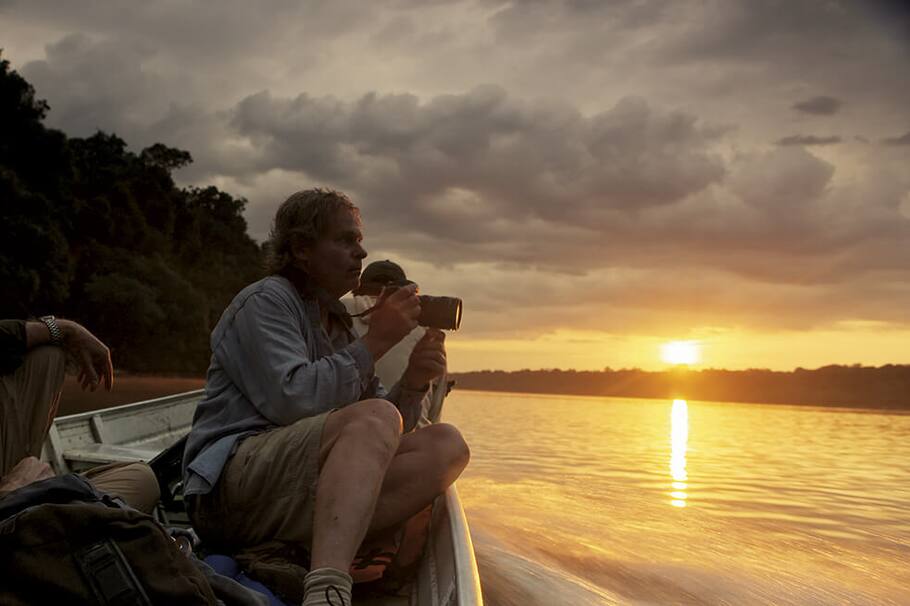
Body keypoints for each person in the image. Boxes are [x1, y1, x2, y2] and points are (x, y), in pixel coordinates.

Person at [183, 188, 470, 606]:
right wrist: (376, 341)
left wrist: (414, 382)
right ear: (301, 249)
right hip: (228, 493)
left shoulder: (333, 321)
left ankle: (304, 548)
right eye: (345, 240)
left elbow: (383, 427)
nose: (361, 251)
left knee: (447, 444)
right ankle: (328, 588)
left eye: (359, 240)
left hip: (295, 491)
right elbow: (294, 400)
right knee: (372, 418)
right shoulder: (266, 301)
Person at [0, 317, 160, 512]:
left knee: (142, 477)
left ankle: (42, 506)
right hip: (8, 508)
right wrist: (13, 491)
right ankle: (33, 511)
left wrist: (67, 330)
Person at [343, 260, 432, 426]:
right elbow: (434, 413)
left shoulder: (339, 311)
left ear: (357, 289)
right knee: (447, 436)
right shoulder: (424, 330)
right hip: (406, 436)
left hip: (346, 432)